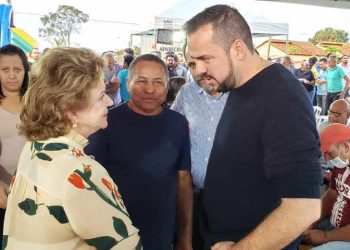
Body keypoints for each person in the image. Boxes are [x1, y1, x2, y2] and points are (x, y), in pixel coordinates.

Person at [184, 4, 321, 250]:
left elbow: (304, 209)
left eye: (206, 58)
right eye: (193, 62)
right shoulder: (238, 84)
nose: (199, 70)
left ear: (237, 48)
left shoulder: (282, 96)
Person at [2, 47, 141, 249]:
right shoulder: (80, 172)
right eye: (101, 96)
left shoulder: (36, 146)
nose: (110, 102)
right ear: (71, 110)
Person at [86, 54, 193, 250]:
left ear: (167, 86)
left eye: (158, 82)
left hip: (161, 233)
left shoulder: (178, 124)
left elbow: (184, 180)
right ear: (128, 82)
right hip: (114, 233)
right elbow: (89, 181)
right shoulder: (105, 123)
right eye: (142, 81)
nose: (150, 89)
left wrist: (185, 236)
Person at [171, 53, 229, 250]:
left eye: (206, 62)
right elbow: (174, 127)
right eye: (192, 65)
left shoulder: (243, 94)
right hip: (193, 195)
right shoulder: (187, 93)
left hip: (231, 198)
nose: (200, 71)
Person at [303, 123, 350, 249]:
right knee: (294, 230)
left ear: (346, 147)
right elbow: (331, 194)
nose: (327, 159)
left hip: (346, 237)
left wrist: (325, 236)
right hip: (331, 224)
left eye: (330, 153)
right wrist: (313, 221)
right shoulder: (341, 166)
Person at [0, 44, 29, 243]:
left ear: (25, 71)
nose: (12, 75)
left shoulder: (36, 103)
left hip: (33, 191)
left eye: (17, 69)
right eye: (5, 70)